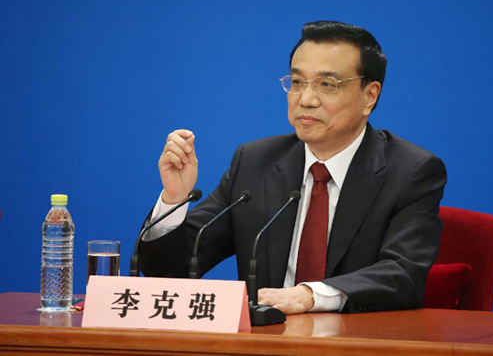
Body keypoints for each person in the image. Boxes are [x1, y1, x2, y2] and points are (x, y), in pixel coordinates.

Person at [140, 20, 447, 315]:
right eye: (297, 82)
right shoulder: (255, 162)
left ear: (370, 96)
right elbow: (169, 270)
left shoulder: (411, 171)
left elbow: (403, 274)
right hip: (263, 345)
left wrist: (311, 295)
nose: (306, 99)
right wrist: (174, 200)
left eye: (327, 84)